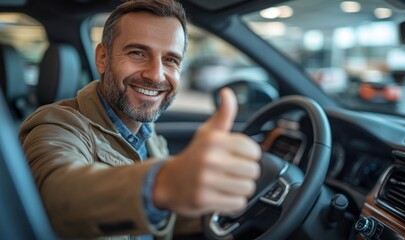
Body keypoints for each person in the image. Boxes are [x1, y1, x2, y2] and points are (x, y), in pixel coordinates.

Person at [18, 0, 261, 239]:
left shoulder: (146, 130)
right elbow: (55, 197)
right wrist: (164, 182)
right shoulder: (54, 125)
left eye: (170, 60)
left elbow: (165, 219)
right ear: (103, 58)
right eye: (137, 53)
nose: (156, 75)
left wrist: (223, 202)